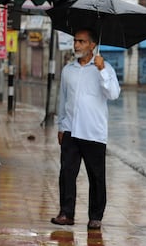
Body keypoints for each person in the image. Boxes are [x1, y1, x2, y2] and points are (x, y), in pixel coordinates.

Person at [51, 28, 120, 230]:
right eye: (75, 41)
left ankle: (96, 216)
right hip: (71, 130)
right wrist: (61, 125)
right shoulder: (68, 70)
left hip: (93, 132)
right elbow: (63, 99)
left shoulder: (105, 68)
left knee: (96, 176)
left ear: (92, 45)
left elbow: (113, 94)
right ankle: (66, 213)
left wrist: (102, 70)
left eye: (81, 41)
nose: (76, 45)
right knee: (66, 173)